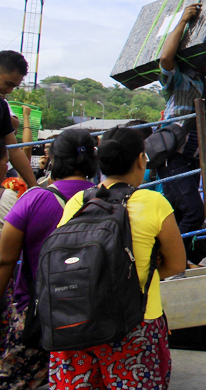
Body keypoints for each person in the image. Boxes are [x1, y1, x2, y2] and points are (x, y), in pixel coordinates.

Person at [48, 126, 186, 390]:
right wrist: (136, 275)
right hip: (137, 322)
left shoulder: (78, 201)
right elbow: (177, 263)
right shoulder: (153, 202)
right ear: (140, 159)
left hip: (76, 320)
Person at [0, 128, 97, 389]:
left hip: (36, 315)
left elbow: (5, 260)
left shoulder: (33, 199)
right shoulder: (107, 199)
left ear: (53, 158)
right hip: (92, 316)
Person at [156, 3, 206, 265]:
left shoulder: (205, 86)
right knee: (193, 211)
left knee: (183, 211)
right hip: (173, 156)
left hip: (192, 158)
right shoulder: (180, 79)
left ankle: (178, 259)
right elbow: (166, 59)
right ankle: (173, 261)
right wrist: (183, 22)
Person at [0, 52, 36, 188]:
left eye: (13, 86)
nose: (9, 91)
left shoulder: (2, 106)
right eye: (8, 84)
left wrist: (34, 187)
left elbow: (14, 150)